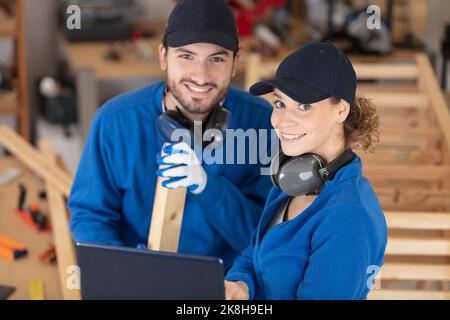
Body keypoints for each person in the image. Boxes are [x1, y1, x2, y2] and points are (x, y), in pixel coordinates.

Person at [68, 0, 274, 270]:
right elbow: (91, 217)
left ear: (235, 63)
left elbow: (264, 237)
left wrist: (207, 187)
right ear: (164, 57)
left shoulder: (261, 122)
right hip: (137, 276)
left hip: (227, 284)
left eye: (216, 59)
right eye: (186, 56)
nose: (201, 76)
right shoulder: (114, 122)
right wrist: (125, 272)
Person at [224, 41, 388, 299]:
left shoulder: (350, 218)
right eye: (280, 104)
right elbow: (256, 252)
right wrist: (240, 283)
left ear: (341, 110)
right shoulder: (291, 179)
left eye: (304, 106)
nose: (283, 120)